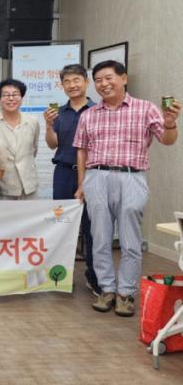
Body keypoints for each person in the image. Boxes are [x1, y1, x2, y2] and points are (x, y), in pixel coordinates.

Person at [73, 60, 180, 316]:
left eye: (108, 78)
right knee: (99, 238)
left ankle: (126, 293)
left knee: (130, 239)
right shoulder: (89, 114)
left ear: (123, 78)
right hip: (96, 177)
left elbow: (167, 140)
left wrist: (170, 123)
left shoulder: (146, 109)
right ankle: (107, 289)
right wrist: (82, 184)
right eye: (98, 80)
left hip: (132, 177)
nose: (103, 84)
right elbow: (82, 151)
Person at [43, 64, 100, 296]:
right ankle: (61, 277)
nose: (72, 85)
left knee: (92, 227)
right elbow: (52, 144)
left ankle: (94, 276)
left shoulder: (98, 110)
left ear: (86, 82)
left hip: (93, 174)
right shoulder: (59, 113)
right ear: (62, 85)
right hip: (64, 173)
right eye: (67, 81)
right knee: (62, 226)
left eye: (76, 80)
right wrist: (48, 126)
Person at [0, 79, 39, 199]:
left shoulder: (32, 121)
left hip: (29, 186)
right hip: (4, 187)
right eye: (6, 95)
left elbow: (33, 149)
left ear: (22, 98)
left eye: (15, 94)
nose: (11, 98)